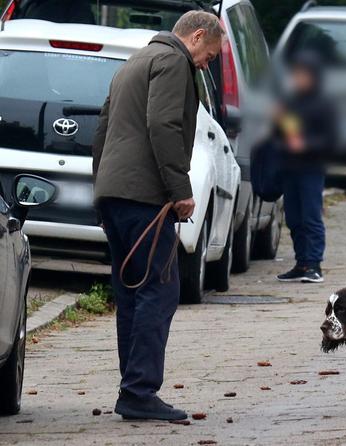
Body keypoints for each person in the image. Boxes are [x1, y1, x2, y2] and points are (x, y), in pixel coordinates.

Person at [92, 11, 223, 421]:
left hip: (116, 194)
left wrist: (102, 189)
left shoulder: (134, 62)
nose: (206, 64)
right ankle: (139, 391)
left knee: (132, 291)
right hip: (145, 196)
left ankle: (133, 387)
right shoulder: (173, 62)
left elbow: (103, 128)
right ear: (197, 36)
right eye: (210, 55)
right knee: (159, 290)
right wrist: (180, 191)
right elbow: (163, 125)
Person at [275, 52, 337, 284]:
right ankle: (301, 262)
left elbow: (329, 139)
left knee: (311, 216)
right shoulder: (292, 100)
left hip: (311, 167)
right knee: (293, 217)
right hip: (290, 166)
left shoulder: (323, 103)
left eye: (303, 74)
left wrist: (307, 144)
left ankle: (314, 264)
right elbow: (288, 132)